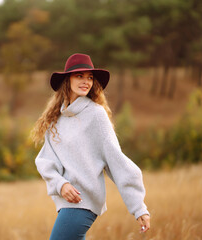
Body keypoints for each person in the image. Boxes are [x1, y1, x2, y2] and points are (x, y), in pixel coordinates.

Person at [30, 53, 150, 240]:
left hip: (83, 202)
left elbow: (116, 160)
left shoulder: (96, 114)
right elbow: (45, 161)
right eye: (80, 76)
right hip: (66, 203)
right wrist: (60, 185)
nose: (86, 81)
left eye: (90, 77)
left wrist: (139, 207)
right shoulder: (55, 121)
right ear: (67, 80)